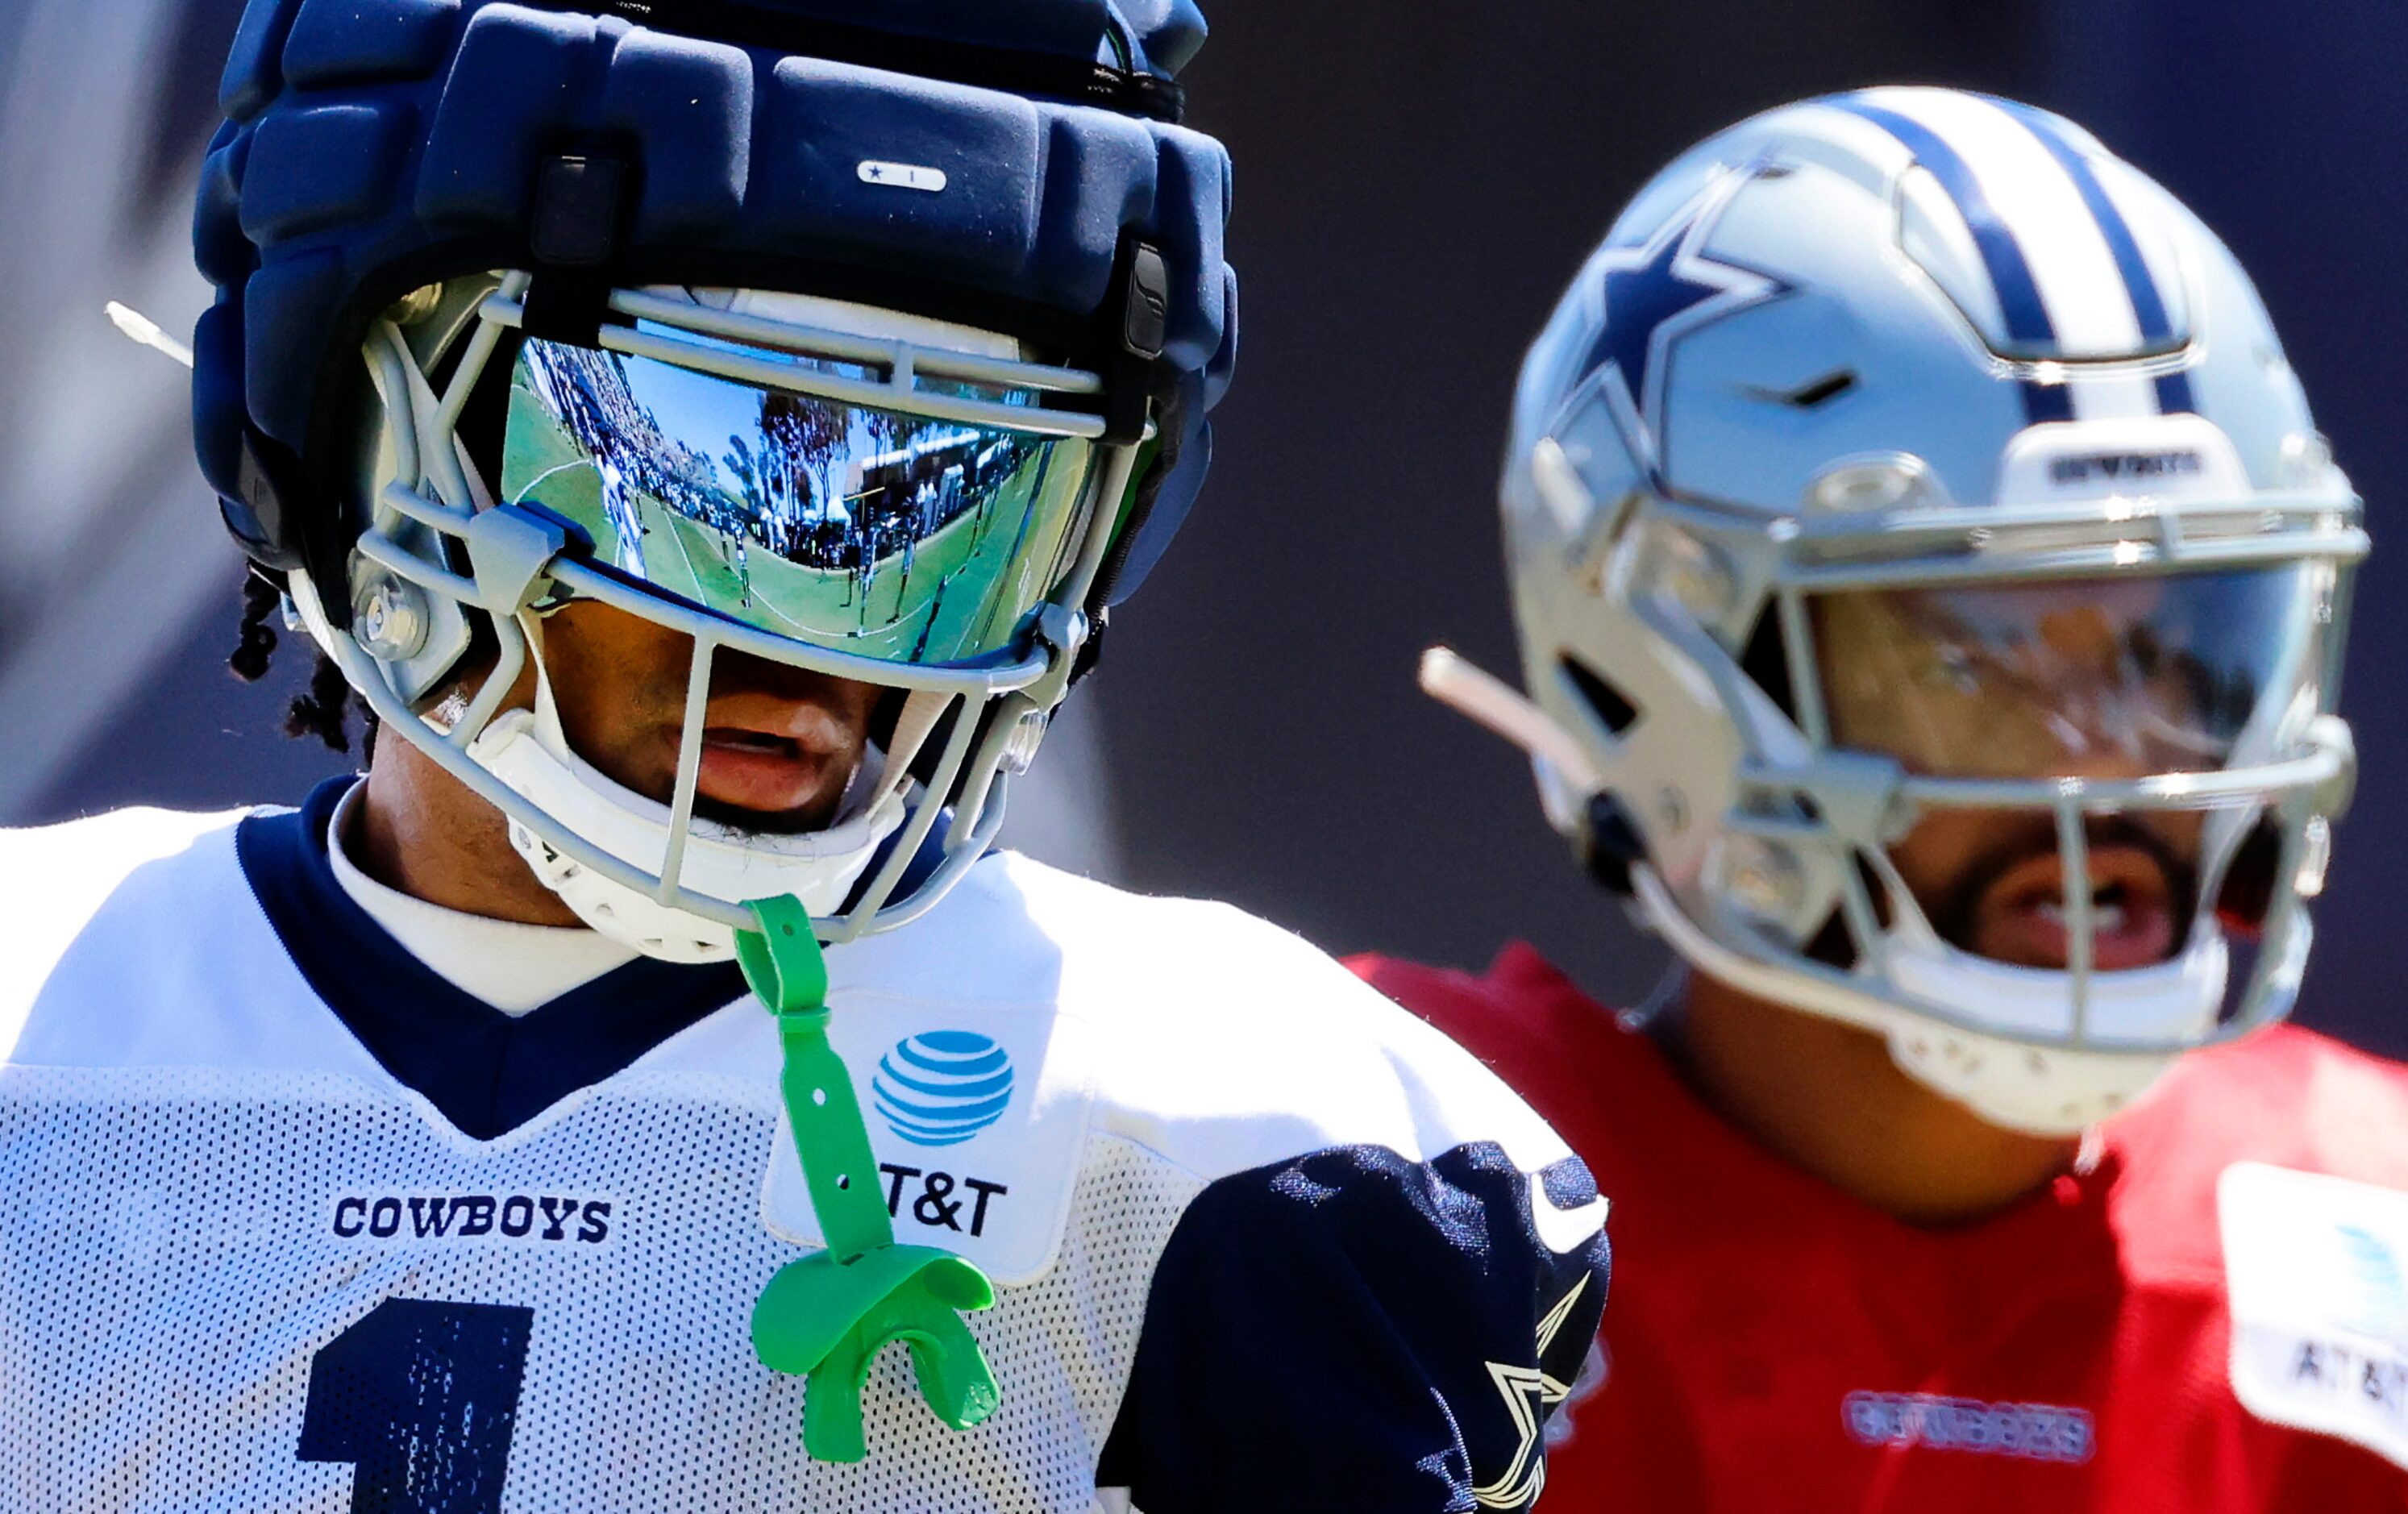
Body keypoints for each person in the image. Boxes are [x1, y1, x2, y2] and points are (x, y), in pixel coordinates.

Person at [0, 1, 1609, 1508]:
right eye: (704, 475)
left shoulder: (1240, 1163)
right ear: (378, 421)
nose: (828, 635)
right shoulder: (34, 1027)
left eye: (951, 495)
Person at [1356, 87, 2408, 1508]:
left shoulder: (2366, 1219)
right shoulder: (1372, 1196)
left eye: (2180, 648)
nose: (2116, 762)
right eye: (1982, 659)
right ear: (1660, 661)